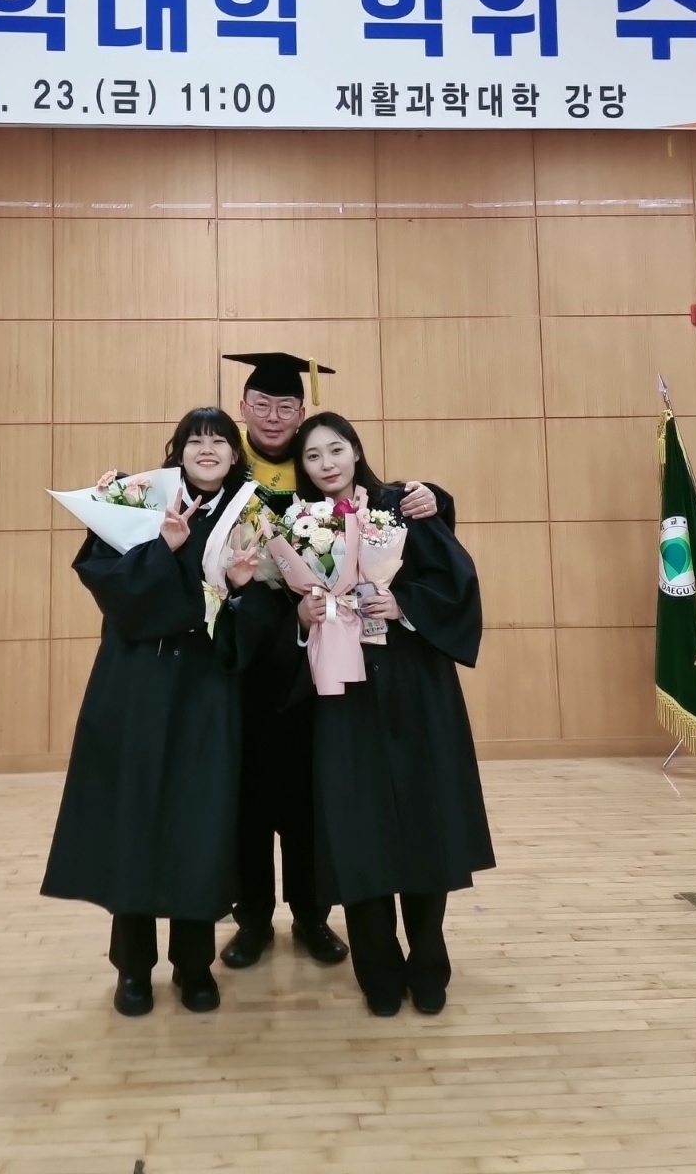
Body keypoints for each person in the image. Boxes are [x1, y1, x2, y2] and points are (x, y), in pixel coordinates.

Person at [218, 352, 452, 973]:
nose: (273, 416)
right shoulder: (228, 473)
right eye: (262, 405)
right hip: (247, 664)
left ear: (301, 413)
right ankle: (251, 919)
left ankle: (312, 915)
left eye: (286, 406)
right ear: (243, 409)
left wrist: (434, 495)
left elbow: (397, 511)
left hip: (320, 665)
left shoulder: (314, 480)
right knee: (248, 797)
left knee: (312, 797)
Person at [40, 407, 260, 1017]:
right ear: (178, 451)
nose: (208, 449)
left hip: (207, 687)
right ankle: (133, 968)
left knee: (200, 824)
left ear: (235, 455)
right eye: (196, 440)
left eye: (220, 440)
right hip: (136, 683)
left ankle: (194, 964)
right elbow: (109, 587)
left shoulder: (250, 514)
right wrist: (162, 548)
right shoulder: (137, 502)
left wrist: (241, 592)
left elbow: (264, 613)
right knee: (132, 819)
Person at [287, 411, 495, 1018]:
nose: (326, 464)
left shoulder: (401, 508)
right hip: (342, 696)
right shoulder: (298, 527)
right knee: (357, 828)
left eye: (335, 450)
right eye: (313, 456)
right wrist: (300, 619)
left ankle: (428, 960)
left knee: (425, 821)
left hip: (413, 687)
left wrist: (402, 603)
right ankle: (376, 966)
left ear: (356, 451)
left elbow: (456, 583)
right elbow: (279, 617)